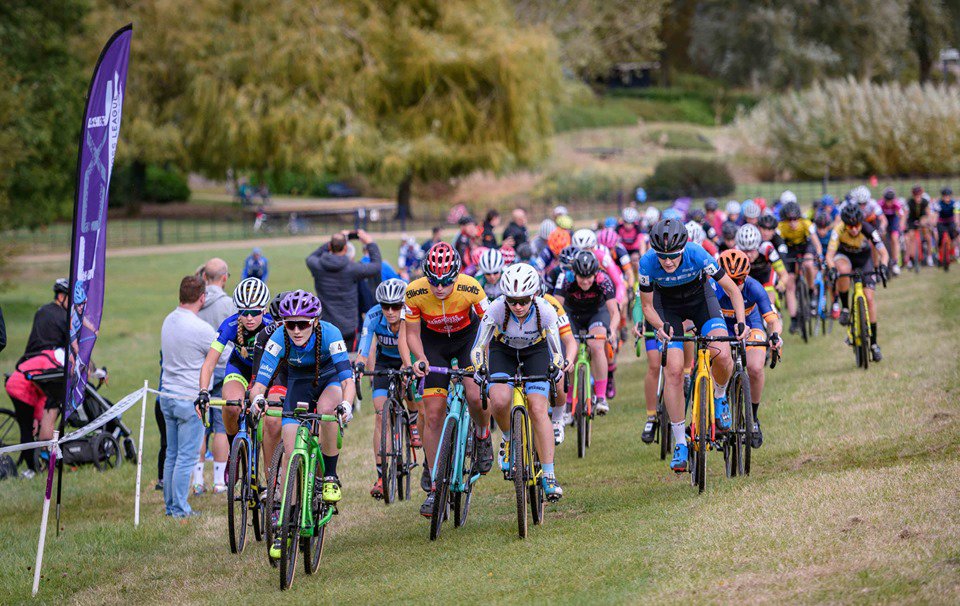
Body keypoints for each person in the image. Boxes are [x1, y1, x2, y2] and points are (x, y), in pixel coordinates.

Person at [249, 290, 354, 559]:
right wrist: (258, 398)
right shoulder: (278, 336)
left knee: (329, 409)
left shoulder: (330, 334)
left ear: (315, 322)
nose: (296, 330)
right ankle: (287, 524)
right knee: (289, 450)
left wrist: (348, 404)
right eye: (290, 323)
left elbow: (347, 380)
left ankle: (329, 475)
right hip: (298, 384)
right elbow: (260, 381)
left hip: (329, 380)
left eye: (303, 324)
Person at [635, 219, 746, 473]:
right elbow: (648, 307)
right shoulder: (647, 264)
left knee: (722, 353)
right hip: (668, 308)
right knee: (673, 370)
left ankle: (720, 398)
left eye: (673, 256)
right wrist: (659, 326)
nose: (669, 262)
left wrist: (740, 322)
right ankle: (680, 443)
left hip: (701, 301)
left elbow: (732, 290)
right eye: (663, 257)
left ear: (683, 248)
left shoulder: (697, 253)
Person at [404, 242, 492, 517]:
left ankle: (482, 434)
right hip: (433, 343)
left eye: (445, 281)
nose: (439, 287)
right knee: (433, 414)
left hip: (467, 338)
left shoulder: (471, 287)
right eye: (434, 281)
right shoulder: (414, 292)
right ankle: (434, 484)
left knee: (475, 394)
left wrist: (481, 357)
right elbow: (412, 334)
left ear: (456, 275)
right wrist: (419, 359)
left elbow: (488, 324)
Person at [471, 263, 567, 500]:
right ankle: (507, 438)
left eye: (524, 300)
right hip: (502, 351)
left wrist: (556, 366)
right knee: (500, 400)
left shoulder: (545, 310)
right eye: (512, 301)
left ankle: (549, 475)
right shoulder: (495, 309)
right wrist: (479, 367)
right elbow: (478, 347)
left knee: (537, 408)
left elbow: (557, 351)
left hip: (536, 351)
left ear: (533, 295)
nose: (518, 306)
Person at [195, 278, 272, 494]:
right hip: (239, 369)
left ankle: (271, 473)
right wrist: (202, 392)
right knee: (230, 406)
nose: (249, 318)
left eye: (255, 312)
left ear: (264, 310)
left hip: (265, 372)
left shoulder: (272, 324)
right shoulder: (229, 325)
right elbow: (209, 363)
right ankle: (234, 453)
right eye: (244, 312)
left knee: (270, 421)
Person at [355, 279, 419, 499]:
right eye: (386, 306)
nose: (390, 311)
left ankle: (412, 418)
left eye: (396, 306)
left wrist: (408, 365)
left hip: (407, 358)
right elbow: (364, 345)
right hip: (384, 363)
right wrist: (361, 363)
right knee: (380, 414)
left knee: (411, 389)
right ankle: (382, 476)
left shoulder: (410, 314)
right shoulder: (373, 316)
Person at [159, 276, 217, 518]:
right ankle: (180, 508)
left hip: (166, 394)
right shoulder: (201, 328)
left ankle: (171, 505)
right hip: (190, 398)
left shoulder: (168, 320)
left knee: (172, 453)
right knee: (187, 455)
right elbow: (221, 355)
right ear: (202, 298)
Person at [713, 250, 782, 447]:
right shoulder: (712, 287)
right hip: (721, 325)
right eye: (730, 280)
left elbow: (772, 319)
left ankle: (752, 417)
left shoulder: (754, 287)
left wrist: (775, 335)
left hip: (751, 324)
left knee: (755, 367)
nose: (735, 285)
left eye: (740, 280)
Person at [553, 250, 620, 415]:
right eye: (581, 277)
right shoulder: (566, 278)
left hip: (597, 313)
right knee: (571, 350)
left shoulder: (603, 279)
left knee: (596, 345)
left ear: (595, 273)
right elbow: (555, 307)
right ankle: (569, 401)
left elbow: (614, 311)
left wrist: (612, 330)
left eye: (589, 277)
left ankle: (601, 396)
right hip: (571, 314)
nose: (585, 281)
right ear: (574, 273)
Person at [826, 205, 889, 362]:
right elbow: (829, 255)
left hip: (863, 260)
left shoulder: (869, 229)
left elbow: (883, 252)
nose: (854, 229)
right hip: (845, 257)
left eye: (856, 226)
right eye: (850, 226)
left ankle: (874, 344)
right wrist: (832, 268)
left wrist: (884, 265)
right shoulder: (838, 230)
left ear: (861, 223)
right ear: (845, 224)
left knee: (869, 298)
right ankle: (846, 308)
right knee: (842, 269)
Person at [194, 258, 235, 494]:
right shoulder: (229, 304)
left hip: (199, 372)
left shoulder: (195, 302)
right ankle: (220, 481)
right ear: (224, 278)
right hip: (223, 369)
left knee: (200, 427)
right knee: (221, 426)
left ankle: (198, 481)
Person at [305, 229, 382, 351]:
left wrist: (332, 242)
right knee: (348, 361)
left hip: (326, 325)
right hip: (349, 327)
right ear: (346, 249)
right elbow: (376, 266)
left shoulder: (318, 266)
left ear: (330, 246)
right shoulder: (352, 268)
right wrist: (370, 243)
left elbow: (311, 257)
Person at [778, 201, 823, 334]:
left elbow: (816, 243)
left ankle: (811, 290)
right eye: (789, 220)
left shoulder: (806, 224)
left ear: (799, 217)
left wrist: (819, 255)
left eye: (795, 219)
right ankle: (793, 319)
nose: (792, 222)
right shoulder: (781, 227)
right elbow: (777, 243)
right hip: (790, 249)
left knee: (808, 264)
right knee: (790, 283)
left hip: (805, 246)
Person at [736, 223, 788, 308]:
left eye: (752, 250)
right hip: (748, 276)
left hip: (765, 274)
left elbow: (784, 274)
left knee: (768, 301)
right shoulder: (736, 251)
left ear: (757, 246)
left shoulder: (767, 248)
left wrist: (781, 284)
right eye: (745, 251)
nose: (748, 255)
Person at [880, 189, 904, 275]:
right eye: (887, 201)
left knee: (894, 238)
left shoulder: (896, 204)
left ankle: (895, 262)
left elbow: (902, 215)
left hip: (893, 220)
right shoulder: (880, 204)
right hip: (884, 220)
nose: (889, 203)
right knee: (882, 237)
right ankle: (882, 259)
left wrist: (901, 225)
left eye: (891, 201)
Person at [934, 187, 959, 262]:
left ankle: (954, 252)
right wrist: (934, 223)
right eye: (945, 196)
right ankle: (938, 253)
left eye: (948, 196)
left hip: (951, 222)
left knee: (954, 236)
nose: (946, 197)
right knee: (940, 237)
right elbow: (936, 214)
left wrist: (957, 223)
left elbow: (956, 214)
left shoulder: (954, 204)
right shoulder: (938, 204)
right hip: (941, 223)